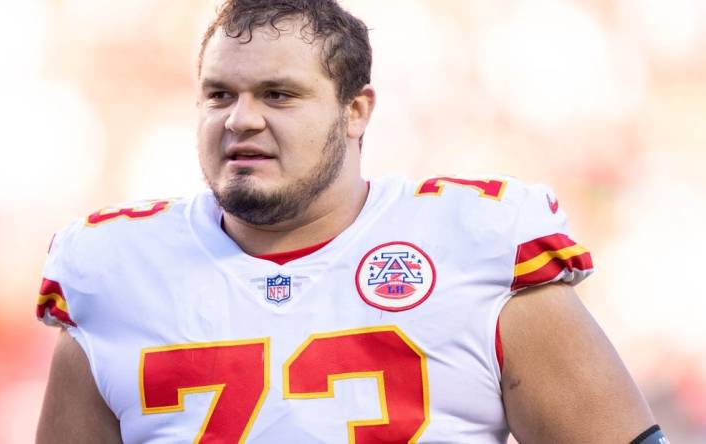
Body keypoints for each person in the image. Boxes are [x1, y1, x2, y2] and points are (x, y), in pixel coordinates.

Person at [35, 1, 664, 442]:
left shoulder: (477, 245)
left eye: (278, 95)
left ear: (356, 110)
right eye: (220, 94)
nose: (241, 120)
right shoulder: (113, 273)